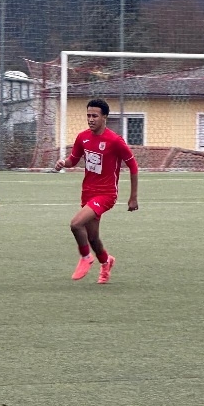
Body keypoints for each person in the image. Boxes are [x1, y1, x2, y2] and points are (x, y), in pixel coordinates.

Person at [54, 98, 139, 284]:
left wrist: (133, 197)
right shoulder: (82, 137)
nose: (90, 119)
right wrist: (63, 163)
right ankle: (106, 263)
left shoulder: (115, 141)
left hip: (106, 194)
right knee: (93, 238)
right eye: (88, 116)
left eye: (95, 116)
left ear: (104, 117)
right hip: (88, 192)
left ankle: (86, 257)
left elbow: (133, 165)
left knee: (76, 224)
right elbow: (73, 160)